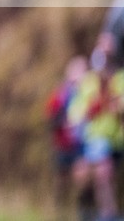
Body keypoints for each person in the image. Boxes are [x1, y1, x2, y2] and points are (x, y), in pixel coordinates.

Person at [69, 34, 124, 221]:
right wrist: (88, 111)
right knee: (100, 170)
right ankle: (107, 213)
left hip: (118, 138)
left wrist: (117, 106)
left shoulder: (120, 78)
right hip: (96, 138)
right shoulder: (89, 81)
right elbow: (75, 111)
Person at [44, 56, 87, 219]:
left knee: (82, 178)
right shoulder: (61, 94)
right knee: (61, 181)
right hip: (63, 143)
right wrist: (64, 122)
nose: (80, 75)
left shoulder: (88, 92)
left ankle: (82, 212)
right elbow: (50, 117)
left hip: (80, 143)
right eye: (77, 71)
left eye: (83, 71)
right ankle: (59, 211)